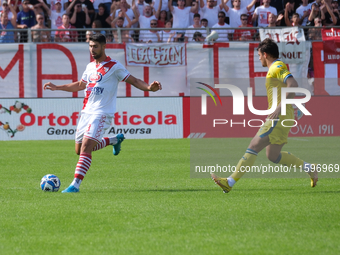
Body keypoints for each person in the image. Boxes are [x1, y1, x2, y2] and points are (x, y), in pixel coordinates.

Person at [43, 33, 162, 193]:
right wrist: (58, 87)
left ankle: (75, 185)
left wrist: (148, 88)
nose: (92, 49)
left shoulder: (114, 66)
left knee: (85, 148)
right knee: (79, 150)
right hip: (86, 112)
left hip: (102, 113)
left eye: (95, 46)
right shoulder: (90, 66)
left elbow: (134, 80)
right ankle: (114, 140)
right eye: (90, 46)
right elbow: (80, 85)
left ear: (104, 46)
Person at [211, 38, 318, 193]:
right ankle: (310, 167)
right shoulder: (275, 68)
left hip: (279, 116)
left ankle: (230, 182)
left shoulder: (277, 66)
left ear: (266, 54)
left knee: (253, 145)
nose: (259, 58)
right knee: (273, 155)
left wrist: (280, 107)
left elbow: (293, 85)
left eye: (259, 55)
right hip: (284, 116)